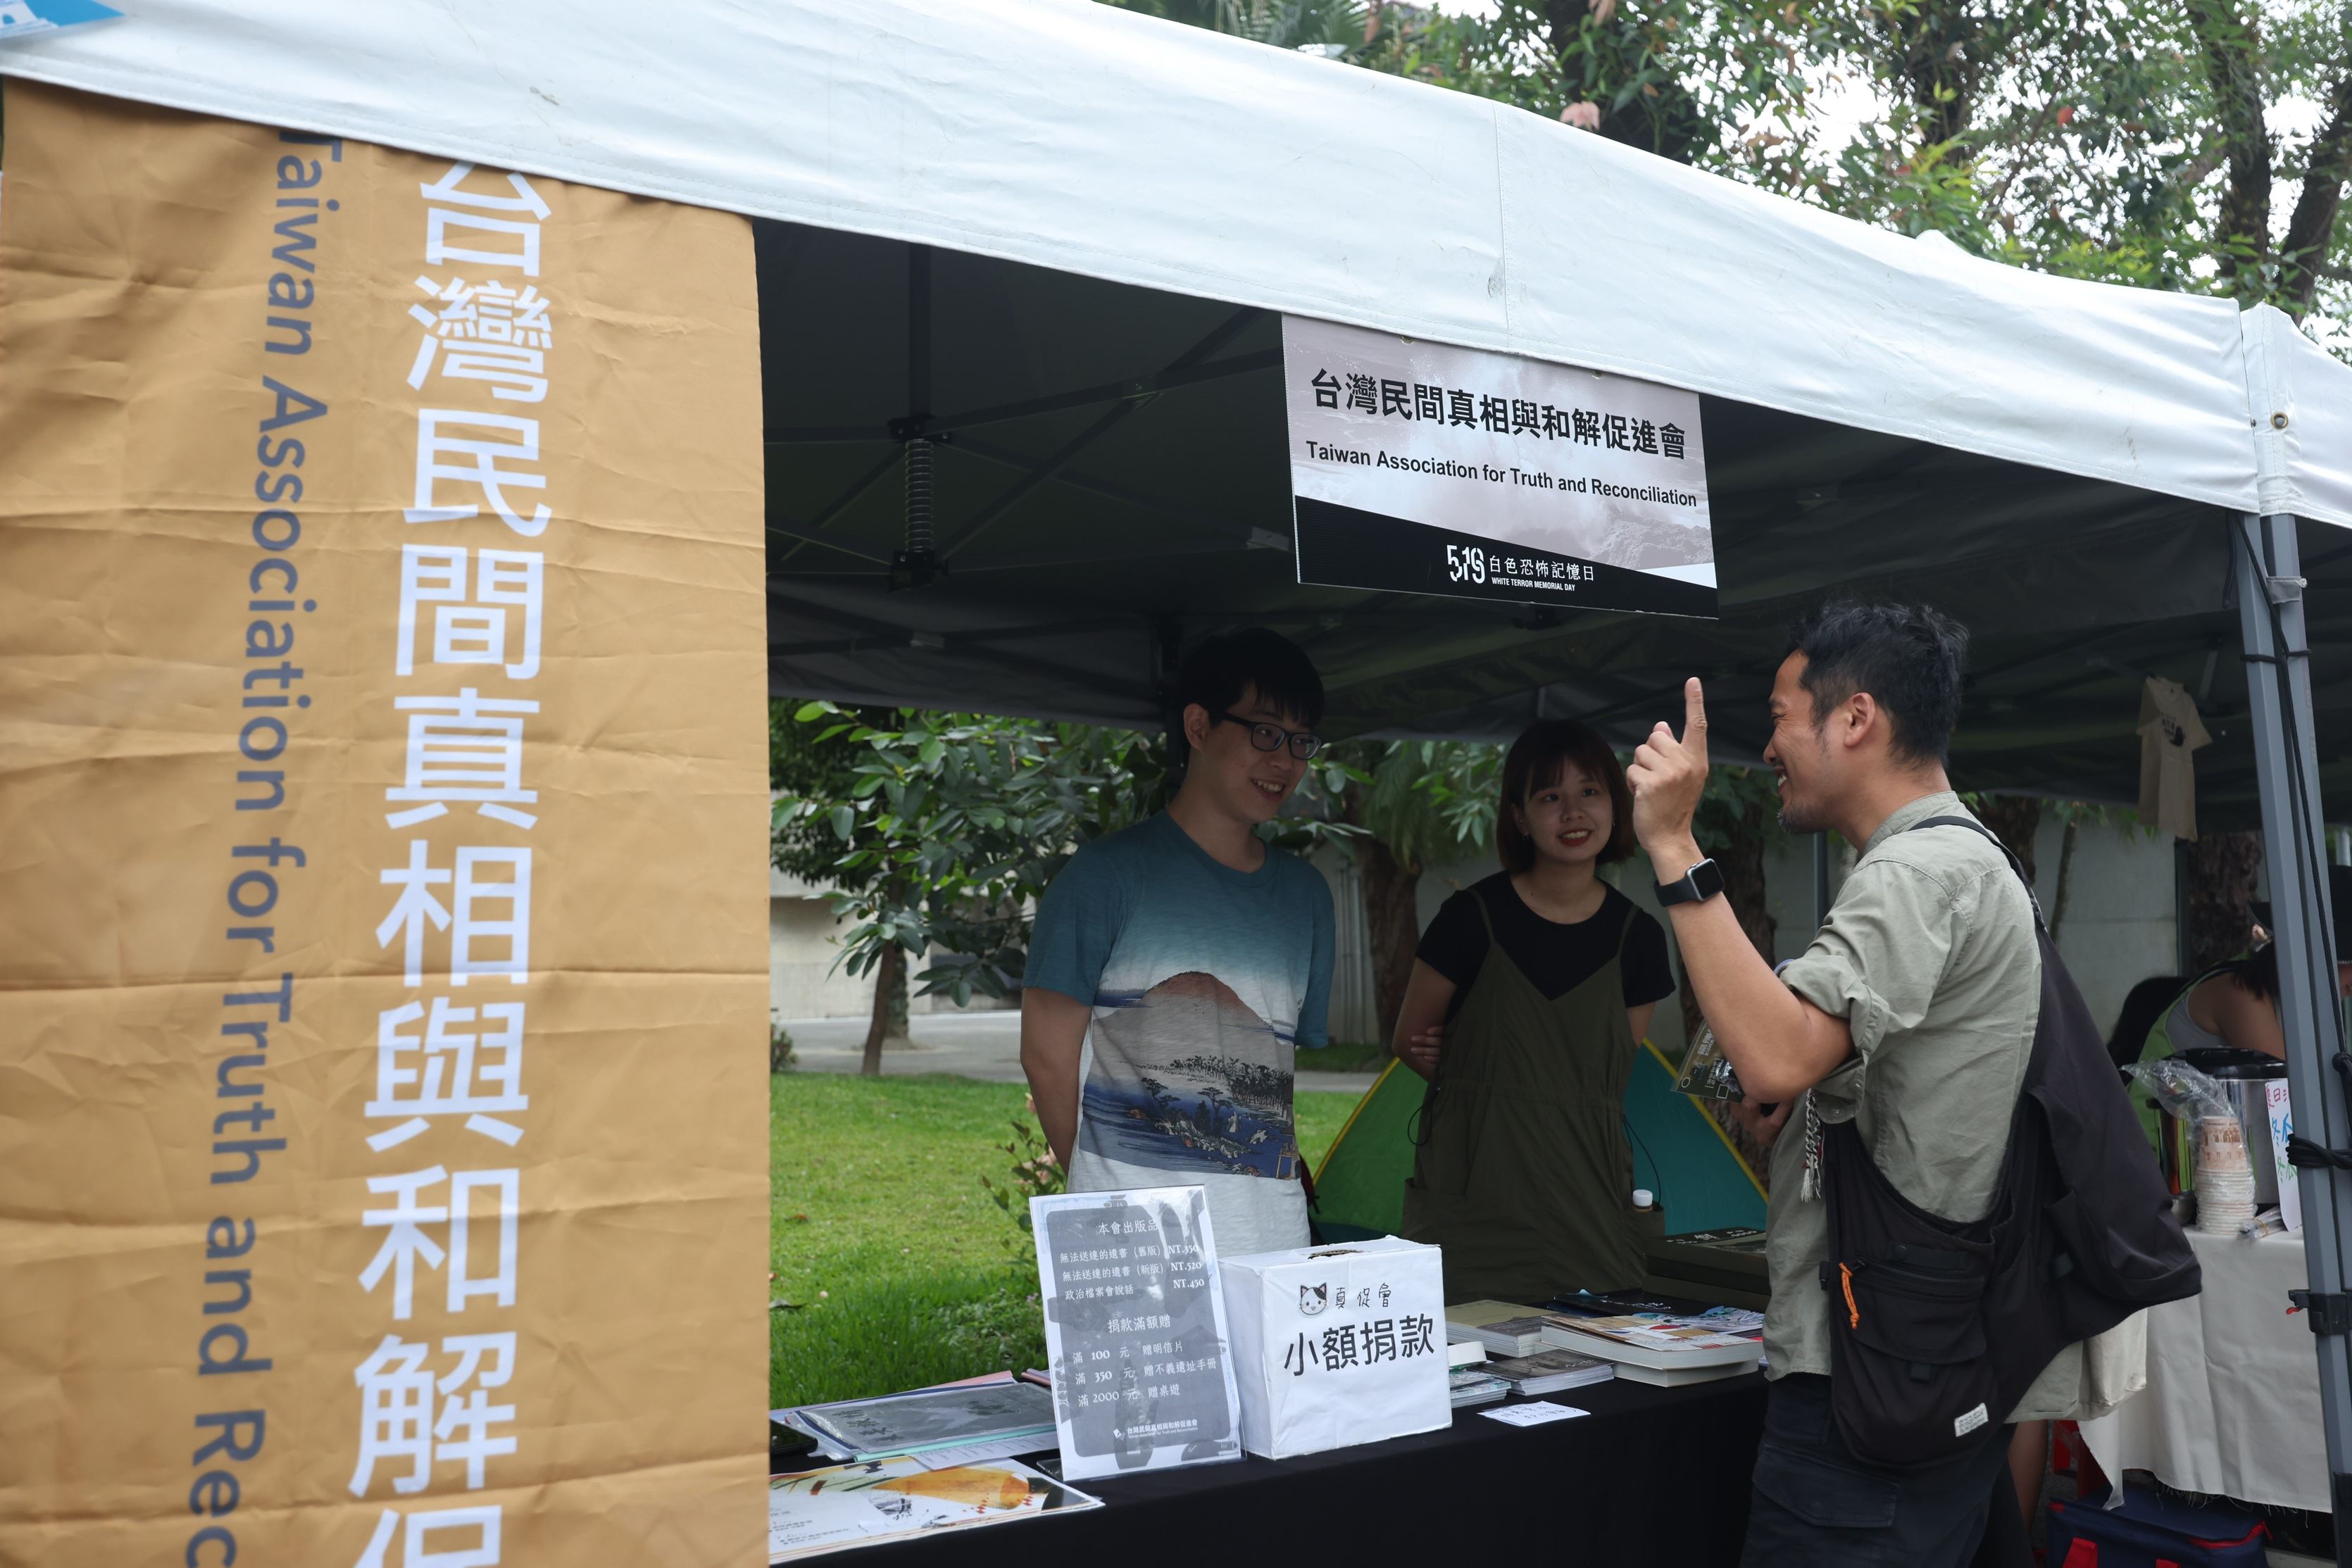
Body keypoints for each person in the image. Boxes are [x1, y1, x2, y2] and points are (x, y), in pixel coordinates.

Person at [1625, 600, 2076, 1568]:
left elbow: (1775, 1055)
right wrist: (1802, 1086)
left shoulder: (1916, 871)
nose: (1768, 747)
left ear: (1856, 717)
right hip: (1934, 1347)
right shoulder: (1970, 855)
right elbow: (1820, 1065)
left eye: (1782, 717)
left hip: (1874, 1373)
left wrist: (1673, 845)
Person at [1019, 629, 1336, 1257]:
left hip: (1271, 1235)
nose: (1284, 760)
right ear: (1198, 726)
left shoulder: (1306, 897)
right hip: (1134, 1239)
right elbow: (1046, 1058)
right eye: (1265, 732)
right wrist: (1105, 1192)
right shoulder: (1104, 876)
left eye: (1301, 741)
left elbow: (1272, 1079)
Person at [1390, 720, 1676, 1303]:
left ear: (1615, 805)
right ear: (1519, 817)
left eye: (1590, 791)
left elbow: (1606, 1069)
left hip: (1590, 1203)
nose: (1573, 812)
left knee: (1598, 1347)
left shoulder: (1639, 937)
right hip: (1476, 1197)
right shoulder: (1469, 918)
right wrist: (1482, 1076)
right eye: (1550, 796)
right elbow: (1409, 1040)